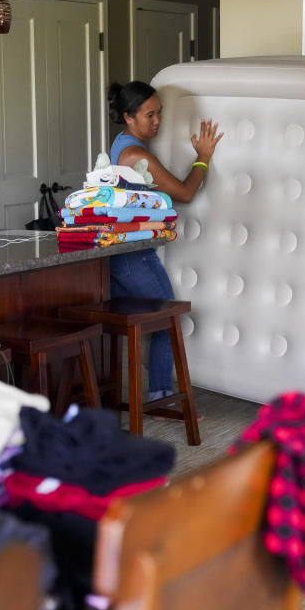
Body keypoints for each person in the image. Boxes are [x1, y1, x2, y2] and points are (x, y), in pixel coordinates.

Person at [106, 80, 223, 401]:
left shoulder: (121, 143)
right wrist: (203, 157)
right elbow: (185, 193)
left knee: (157, 321)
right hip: (133, 256)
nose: (157, 121)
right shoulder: (134, 156)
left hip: (121, 253)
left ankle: (155, 393)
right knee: (167, 320)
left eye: (159, 113)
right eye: (149, 115)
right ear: (129, 117)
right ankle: (160, 395)